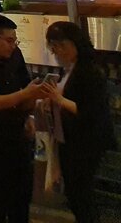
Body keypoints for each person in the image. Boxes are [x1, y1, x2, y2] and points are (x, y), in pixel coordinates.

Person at [0, 14, 48, 223]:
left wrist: (30, 112)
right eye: (9, 40)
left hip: (18, 133)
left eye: (15, 40)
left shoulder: (16, 55)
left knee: (21, 197)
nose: (13, 45)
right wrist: (26, 94)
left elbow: (25, 85)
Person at [43, 21, 116, 223]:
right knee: (76, 195)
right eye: (54, 46)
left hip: (85, 143)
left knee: (81, 195)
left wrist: (59, 100)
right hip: (70, 140)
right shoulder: (69, 69)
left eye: (62, 45)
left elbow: (90, 111)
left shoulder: (89, 72)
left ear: (76, 44)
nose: (58, 51)